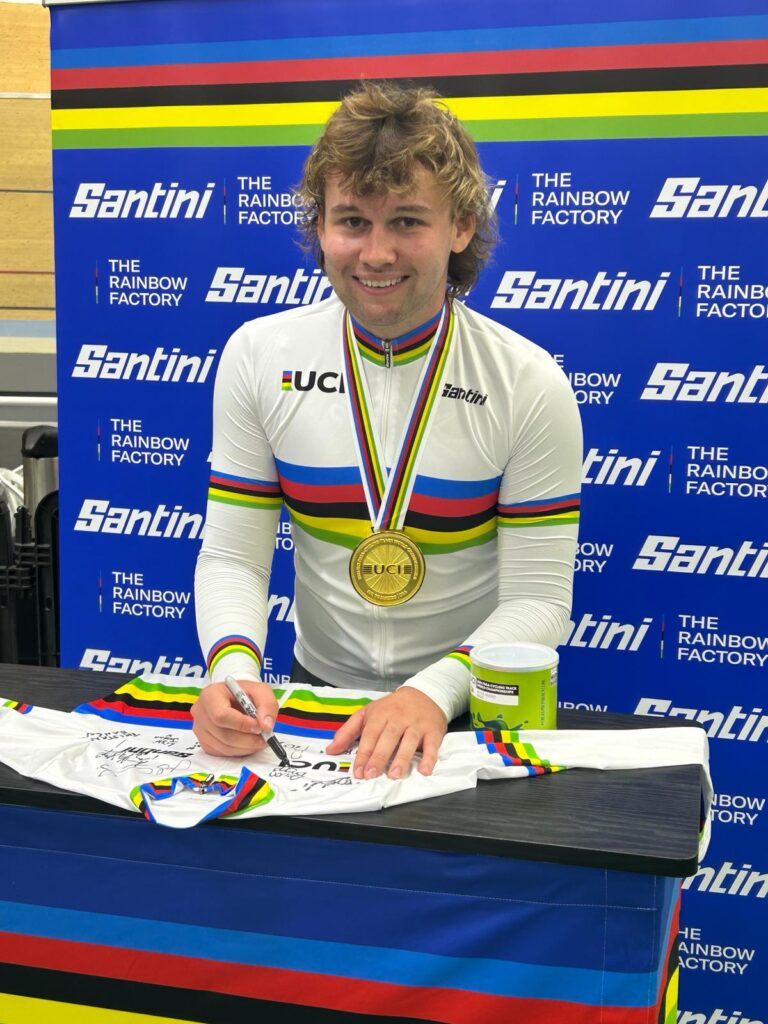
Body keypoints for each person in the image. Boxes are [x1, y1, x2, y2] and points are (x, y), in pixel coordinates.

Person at [192, 80, 582, 782]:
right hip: (315, 706)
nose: (375, 253)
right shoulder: (259, 354)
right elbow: (233, 558)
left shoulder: (528, 382)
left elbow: (539, 601)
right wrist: (232, 667)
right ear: (319, 228)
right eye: (352, 221)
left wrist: (430, 694)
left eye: (406, 221)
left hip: (467, 706)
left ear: (461, 226)